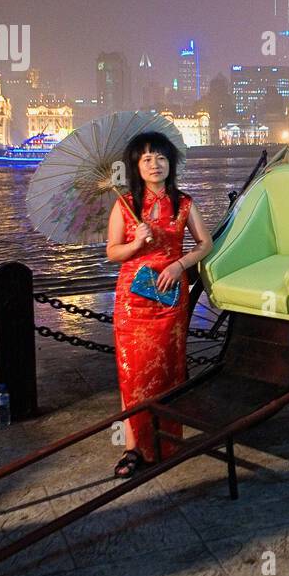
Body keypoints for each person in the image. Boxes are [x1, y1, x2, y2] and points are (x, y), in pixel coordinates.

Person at [105, 131, 212, 477]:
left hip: (170, 298)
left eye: (161, 158)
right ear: (136, 166)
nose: (155, 164)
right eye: (147, 159)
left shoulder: (184, 204)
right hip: (133, 302)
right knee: (132, 374)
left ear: (171, 163)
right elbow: (112, 253)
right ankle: (133, 449)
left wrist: (180, 264)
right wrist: (136, 245)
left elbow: (205, 243)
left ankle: (166, 441)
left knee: (167, 370)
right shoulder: (124, 206)